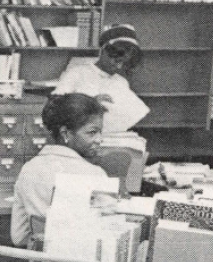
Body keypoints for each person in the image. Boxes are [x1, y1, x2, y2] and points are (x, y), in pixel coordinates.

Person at [10, 93, 108, 248]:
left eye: (100, 132)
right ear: (65, 133)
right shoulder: (95, 174)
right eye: (92, 132)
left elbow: (18, 237)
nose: (99, 139)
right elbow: (107, 240)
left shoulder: (28, 169)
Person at [52, 24, 143, 106]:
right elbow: (54, 107)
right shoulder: (77, 73)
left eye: (124, 63)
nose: (119, 67)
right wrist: (90, 105)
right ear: (104, 51)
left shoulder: (121, 82)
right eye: (117, 61)